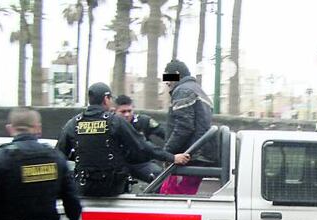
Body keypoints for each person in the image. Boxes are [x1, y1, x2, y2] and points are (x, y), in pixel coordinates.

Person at [57, 82, 190, 196]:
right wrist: (172, 157)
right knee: (160, 178)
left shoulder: (73, 123)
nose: (126, 114)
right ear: (106, 99)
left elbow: (58, 155)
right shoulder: (115, 122)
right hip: (111, 187)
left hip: (85, 187)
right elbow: (142, 145)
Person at [160, 59, 217, 195]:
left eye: (168, 78)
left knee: (171, 195)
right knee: (185, 194)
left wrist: (167, 153)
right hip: (200, 155)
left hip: (190, 155)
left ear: (177, 74)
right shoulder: (199, 91)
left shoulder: (182, 90)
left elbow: (183, 127)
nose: (167, 83)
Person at [114, 94, 165, 183]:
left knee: (159, 176)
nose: (127, 114)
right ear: (115, 111)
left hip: (141, 163)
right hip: (119, 164)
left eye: (129, 111)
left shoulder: (144, 121)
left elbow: (165, 134)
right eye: (123, 112)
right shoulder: (109, 123)